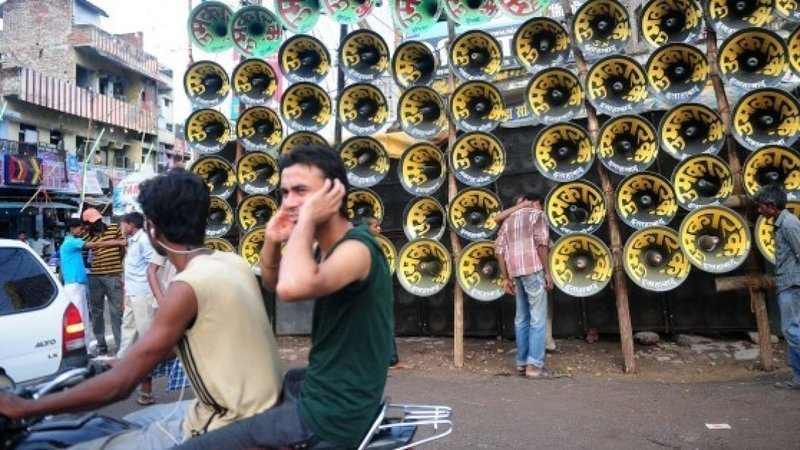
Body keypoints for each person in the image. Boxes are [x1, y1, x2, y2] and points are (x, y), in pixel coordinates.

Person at [0, 169, 284, 449]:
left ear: (152, 228)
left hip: (229, 424)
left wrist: (23, 407)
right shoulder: (232, 262)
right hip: (263, 411)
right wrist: (123, 362)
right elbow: (182, 344)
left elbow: (120, 386)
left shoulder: (186, 287)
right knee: (132, 420)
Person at [178, 143, 394, 449]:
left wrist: (305, 221)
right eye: (286, 192)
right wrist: (272, 239)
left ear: (333, 193)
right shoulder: (324, 247)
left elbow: (290, 289)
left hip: (332, 416)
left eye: (300, 191)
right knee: (287, 383)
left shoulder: (357, 249)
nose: (289, 202)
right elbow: (272, 282)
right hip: (323, 392)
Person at [494, 191, 556, 379]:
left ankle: (521, 363)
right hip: (533, 270)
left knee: (521, 318)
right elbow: (542, 244)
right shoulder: (538, 215)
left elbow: (498, 250)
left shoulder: (508, 220)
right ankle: (534, 366)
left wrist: (505, 278)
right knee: (538, 319)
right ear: (537, 202)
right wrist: (547, 272)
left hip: (515, 273)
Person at [754, 185, 800, 390]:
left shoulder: (789, 225)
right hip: (788, 283)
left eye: (761, 206)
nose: (759, 210)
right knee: (793, 330)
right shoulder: (784, 223)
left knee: (791, 330)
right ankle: (798, 378)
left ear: (772, 206)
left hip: (792, 284)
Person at [59, 218, 126, 349]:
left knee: (88, 316)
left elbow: (63, 263)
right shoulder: (73, 241)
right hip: (77, 284)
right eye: (80, 228)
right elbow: (96, 245)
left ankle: (86, 348)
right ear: (72, 229)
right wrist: (119, 241)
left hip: (83, 282)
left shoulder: (74, 241)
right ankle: (84, 347)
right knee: (82, 316)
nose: (82, 230)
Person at [116, 212, 158, 405]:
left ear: (131, 225)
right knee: (128, 331)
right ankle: (120, 372)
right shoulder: (132, 242)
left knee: (144, 336)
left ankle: (146, 387)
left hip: (143, 293)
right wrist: (125, 294)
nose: (121, 227)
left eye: (122, 224)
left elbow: (153, 267)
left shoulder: (143, 241)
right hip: (133, 293)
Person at [361, 215, 414, 370]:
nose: (380, 228)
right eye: (375, 226)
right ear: (367, 228)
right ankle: (391, 360)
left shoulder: (368, 244)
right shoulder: (366, 247)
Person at [81, 208, 125, 356]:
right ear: (87, 224)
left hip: (113, 276)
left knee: (116, 312)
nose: (98, 223)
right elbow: (84, 258)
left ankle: (120, 345)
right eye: (94, 222)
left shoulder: (114, 229)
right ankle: (101, 344)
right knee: (97, 312)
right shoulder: (85, 236)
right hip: (94, 278)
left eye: (98, 220)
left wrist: (116, 265)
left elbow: (122, 248)